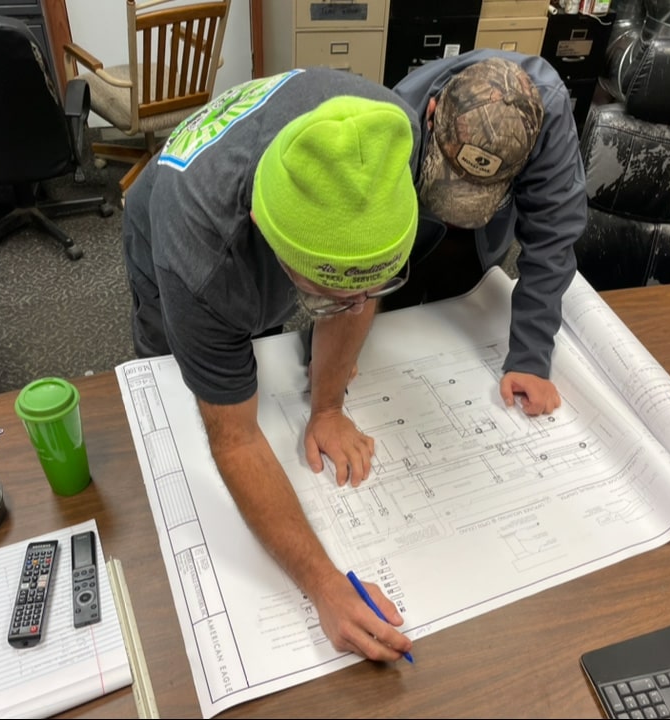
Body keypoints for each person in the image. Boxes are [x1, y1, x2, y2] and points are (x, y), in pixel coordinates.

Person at [121, 68, 420, 663]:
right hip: (163, 214)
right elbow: (234, 440)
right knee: (169, 391)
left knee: (321, 302)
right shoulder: (200, 259)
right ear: (265, 229)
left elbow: (355, 289)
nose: (357, 310)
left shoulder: (389, 139)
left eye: (370, 288)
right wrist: (325, 588)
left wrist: (328, 406)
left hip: (264, 215)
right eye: (327, 297)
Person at [390, 49, 587, 417]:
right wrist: (333, 347)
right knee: (388, 314)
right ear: (432, 114)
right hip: (409, 222)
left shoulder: (546, 120)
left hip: (485, 232)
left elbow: (552, 239)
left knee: (458, 310)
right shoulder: (400, 116)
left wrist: (530, 358)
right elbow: (356, 238)